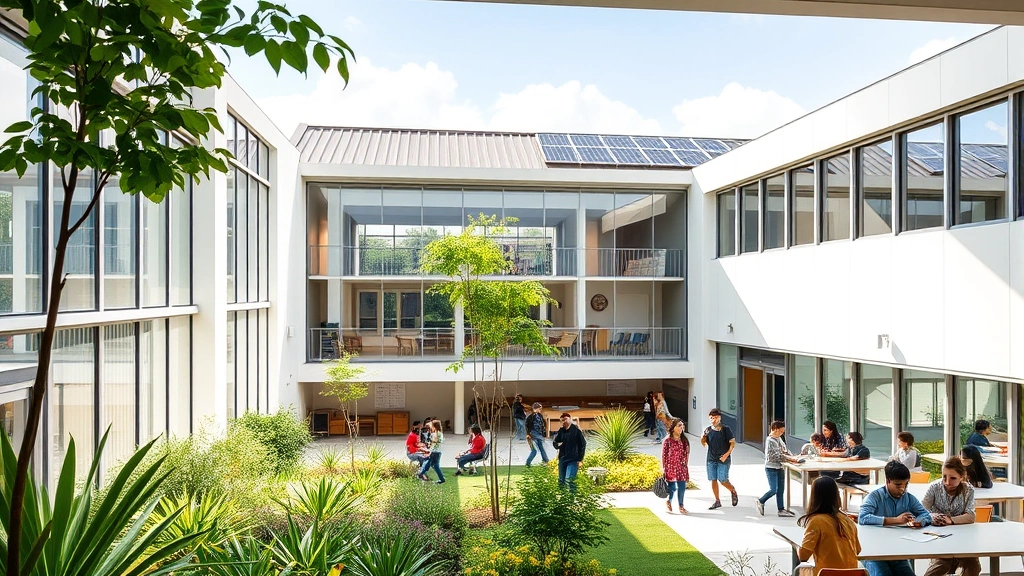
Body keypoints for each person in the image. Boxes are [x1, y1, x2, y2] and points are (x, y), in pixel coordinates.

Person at [858, 461, 932, 576]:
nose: (903, 489)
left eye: (906, 484)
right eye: (898, 485)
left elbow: (926, 515)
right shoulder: (874, 496)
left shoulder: (908, 498)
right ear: (888, 481)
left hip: (898, 551)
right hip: (873, 552)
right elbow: (863, 518)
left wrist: (918, 522)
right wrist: (896, 520)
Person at [921, 457, 979, 576]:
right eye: (944, 477)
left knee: (974, 567)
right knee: (942, 565)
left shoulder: (968, 490)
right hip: (938, 538)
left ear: (961, 477)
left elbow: (971, 516)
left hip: (962, 539)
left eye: (953, 478)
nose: (947, 482)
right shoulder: (934, 487)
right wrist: (932, 516)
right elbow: (920, 510)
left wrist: (950, 520)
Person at [797, 476, 862, 576]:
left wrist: (797, 547)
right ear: (836, 496)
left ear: (814, 497)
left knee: (803, 570)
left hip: (825, 573)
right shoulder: (848, 520)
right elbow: (857, 550)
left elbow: (803, 556)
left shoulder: (815, 521)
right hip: (852, 573)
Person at [756, 420, 803, 517]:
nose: (782, 433)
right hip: (771, 468)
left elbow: (785, 450)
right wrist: (792, 459)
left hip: (780, 467)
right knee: (774, 489)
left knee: (781, 490)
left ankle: (781, 509)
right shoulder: (770, 440)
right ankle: (761, 501)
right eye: (781, 431)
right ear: (775, 429)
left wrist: (793, 456)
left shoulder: (779, 439)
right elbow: (777, 455)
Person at [701, 407, 739, 509]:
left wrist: (726, 454)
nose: (713, 420)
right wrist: (703, 438)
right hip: (711, 459)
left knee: (722, 479)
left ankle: (732, 490)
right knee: (713, 479)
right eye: (711, 418)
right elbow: (704, 443)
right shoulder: (708, 430)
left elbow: (732, 443)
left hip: (723, 459)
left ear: (719, 418)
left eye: (715, 418)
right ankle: (717, 500)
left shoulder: (725, 429)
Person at [661, 418, 690, 514]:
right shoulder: (667, 440)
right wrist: (664, 468)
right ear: (673, 428)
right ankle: (669, 501)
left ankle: (681, 506)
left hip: (681, 467)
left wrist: (685, 467)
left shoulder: (684, 440)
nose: (681, 427)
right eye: (679, 425)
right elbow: (664, 455)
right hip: (670, 467)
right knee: (672, 488)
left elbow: (686, 455)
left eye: (682, 426)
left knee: (682, 486)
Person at [552, 412, 587, 490]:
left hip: (573, 459)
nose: (564, 421)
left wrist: (580, 459)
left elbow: (583, 444)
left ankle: (572, 496)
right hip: (562, 459)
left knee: (569, 480)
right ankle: (562, 496)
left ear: (570, 419)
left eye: (565, 419)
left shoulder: (576, 430)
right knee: (561, 481)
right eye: (562, 420)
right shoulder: (561, 431)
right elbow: (555, 442)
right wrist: (558, 445)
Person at [417, 420, 446, 484]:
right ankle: (442, 479)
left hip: (434, 452)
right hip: (437, 452)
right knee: (434, 465)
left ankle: (420, 475)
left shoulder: (436, 434)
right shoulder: (439, 433)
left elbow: (434, 444)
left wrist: (429, 451)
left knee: (428, 464)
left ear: (434, 426)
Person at [525, 402, 549, 466]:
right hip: (532, 435)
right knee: (534, 450)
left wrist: (544, 434)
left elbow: (543, 425)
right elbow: (527, 426)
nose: (540, 410)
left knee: (541, 448)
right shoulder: (530, 417)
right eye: (539, 409)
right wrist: (528, 434)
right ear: (535, 408)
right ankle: (528, 463)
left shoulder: (540, 415)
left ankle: (546, 460)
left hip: (539, 435)